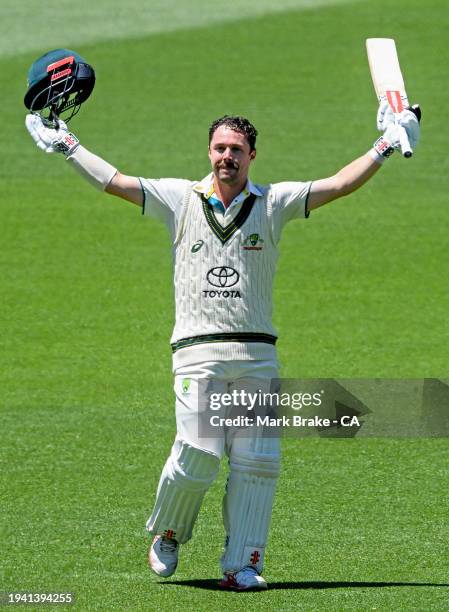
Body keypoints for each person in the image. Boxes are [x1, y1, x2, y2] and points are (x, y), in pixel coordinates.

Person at [25, 104, 420, 590]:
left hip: (256, 355)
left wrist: (385, 144)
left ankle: (243, 564)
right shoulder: (179, 199)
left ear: (252, 155)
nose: (226, 156)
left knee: (258, 461)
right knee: (199, 451)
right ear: (208, 152)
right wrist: (66, 145)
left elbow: (338, 184)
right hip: (197, 352)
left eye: (236, 149)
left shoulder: (273, 202)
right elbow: (116, 182)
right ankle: (169, 532)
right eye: (219, 148)